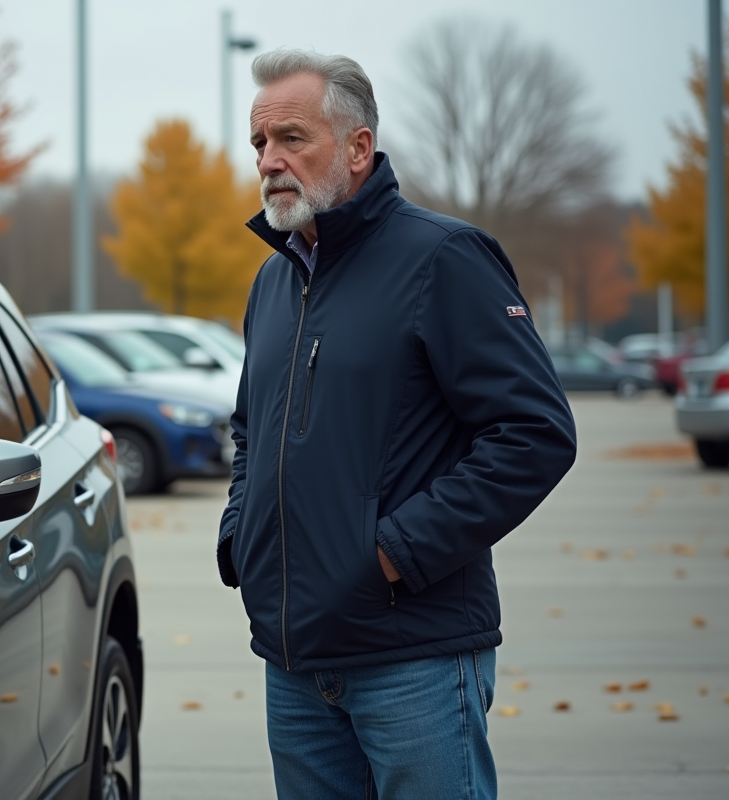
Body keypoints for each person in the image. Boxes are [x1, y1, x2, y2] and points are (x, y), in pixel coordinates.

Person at [216, 49, 577, 800]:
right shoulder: (273, 280)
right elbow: (250, 429)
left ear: (357, 147)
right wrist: (240, 533)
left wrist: (392, 552)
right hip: (293, 663)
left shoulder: (444, 258)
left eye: (291, 137)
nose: (269, 160)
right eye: (259, 144)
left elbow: (534, 433)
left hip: (414, 657)